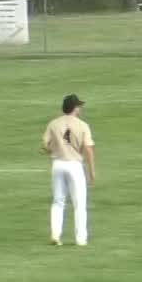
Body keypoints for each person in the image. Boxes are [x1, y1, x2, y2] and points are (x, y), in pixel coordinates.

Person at [40, 93, 96, 246]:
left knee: (58, 201)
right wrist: (91, 171)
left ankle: (55, 234)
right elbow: (88, 149)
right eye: (79, 106)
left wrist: (51, 151)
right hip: (74, 165)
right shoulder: (83, 125)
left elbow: (44, 144)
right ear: (74, 108)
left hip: (58, 164)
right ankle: (80, 238)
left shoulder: (54, 124)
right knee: (80, 203)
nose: (80, 108)